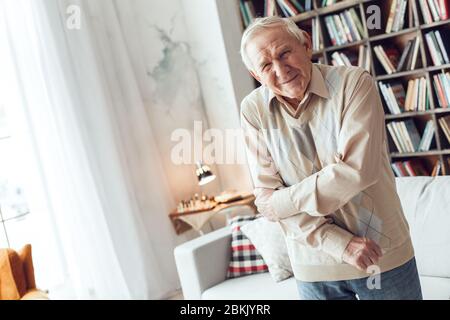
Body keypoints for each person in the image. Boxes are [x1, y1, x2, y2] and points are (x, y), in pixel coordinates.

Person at [239, 16, 422, 300]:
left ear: (306, 43)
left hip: (383, 255)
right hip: (313, 267)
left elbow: (356, 172)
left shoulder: (353, 83)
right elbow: (268, 191)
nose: (280, 69)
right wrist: (340, 244)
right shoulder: (253, 110)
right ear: (255, 74)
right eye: (265, 65)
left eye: (285, 52)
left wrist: (281, 201)